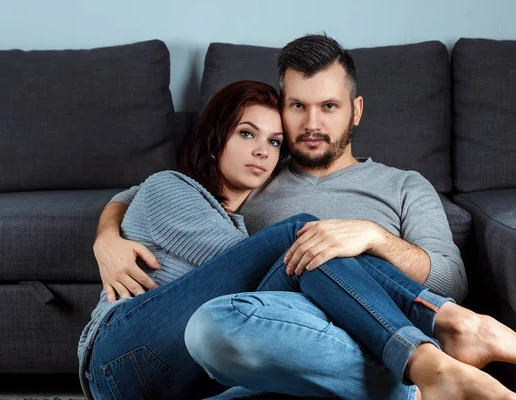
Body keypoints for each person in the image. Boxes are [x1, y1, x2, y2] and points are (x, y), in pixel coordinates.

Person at [93, 35, 516, 399]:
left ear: (357, 110)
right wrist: (106, 235)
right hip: (210, 333)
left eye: (329, 106)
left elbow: (450, 279)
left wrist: (372, 237)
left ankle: (421, 382)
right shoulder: (253, 177)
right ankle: (447, 337)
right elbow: (147, 193)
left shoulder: (406, 185)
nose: (312, 123)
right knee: (303, 242)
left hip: (291, 350)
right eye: (297, 106)